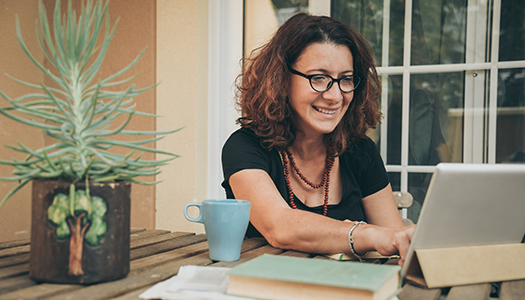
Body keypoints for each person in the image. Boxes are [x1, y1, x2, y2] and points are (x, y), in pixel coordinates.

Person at [221, 13, 414, 266]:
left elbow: (395, 239)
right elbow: (279, 226)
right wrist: (366, 233)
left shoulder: (361, 151)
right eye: (319, 78)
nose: (335, 96)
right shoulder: (244, 147)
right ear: (281, 78)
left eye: (345, 79)